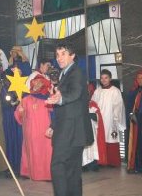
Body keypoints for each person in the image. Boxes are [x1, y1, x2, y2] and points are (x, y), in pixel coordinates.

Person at [46, 43, 94, 196]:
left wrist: (59, 99)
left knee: (58, 166)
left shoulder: (76, 72)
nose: (59, 58)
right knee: (72, 172)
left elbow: (75, 93)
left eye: (63, 54)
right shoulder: (65, 73)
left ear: (72, 55)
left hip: (70, 131)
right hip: (72, 131)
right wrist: (54, 125)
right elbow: (67, 105)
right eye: (57, 54)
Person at [15, 75, 53, 180]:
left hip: (45, 131)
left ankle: (47, 174)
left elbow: (54, 112)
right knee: (32, 152)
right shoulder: (26, 99)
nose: (36, 85)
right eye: (34, 83)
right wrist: (21, 112)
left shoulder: (48, 99)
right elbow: (18, 116)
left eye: (39, 83)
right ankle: (30, 173)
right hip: (31, 131)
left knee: (46, 153)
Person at [91, 69, 126, 167]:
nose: (104, 80)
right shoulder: (97, 91)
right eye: (102, 78)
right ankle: (101, 161)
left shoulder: (115, 91)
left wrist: (115, 118)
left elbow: (118, 106)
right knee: (100, 139)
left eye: (106, 78)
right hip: (99, 120)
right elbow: (92, 103)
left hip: (111, 120)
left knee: (111, 139)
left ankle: (112, 161)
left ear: (110, 78)